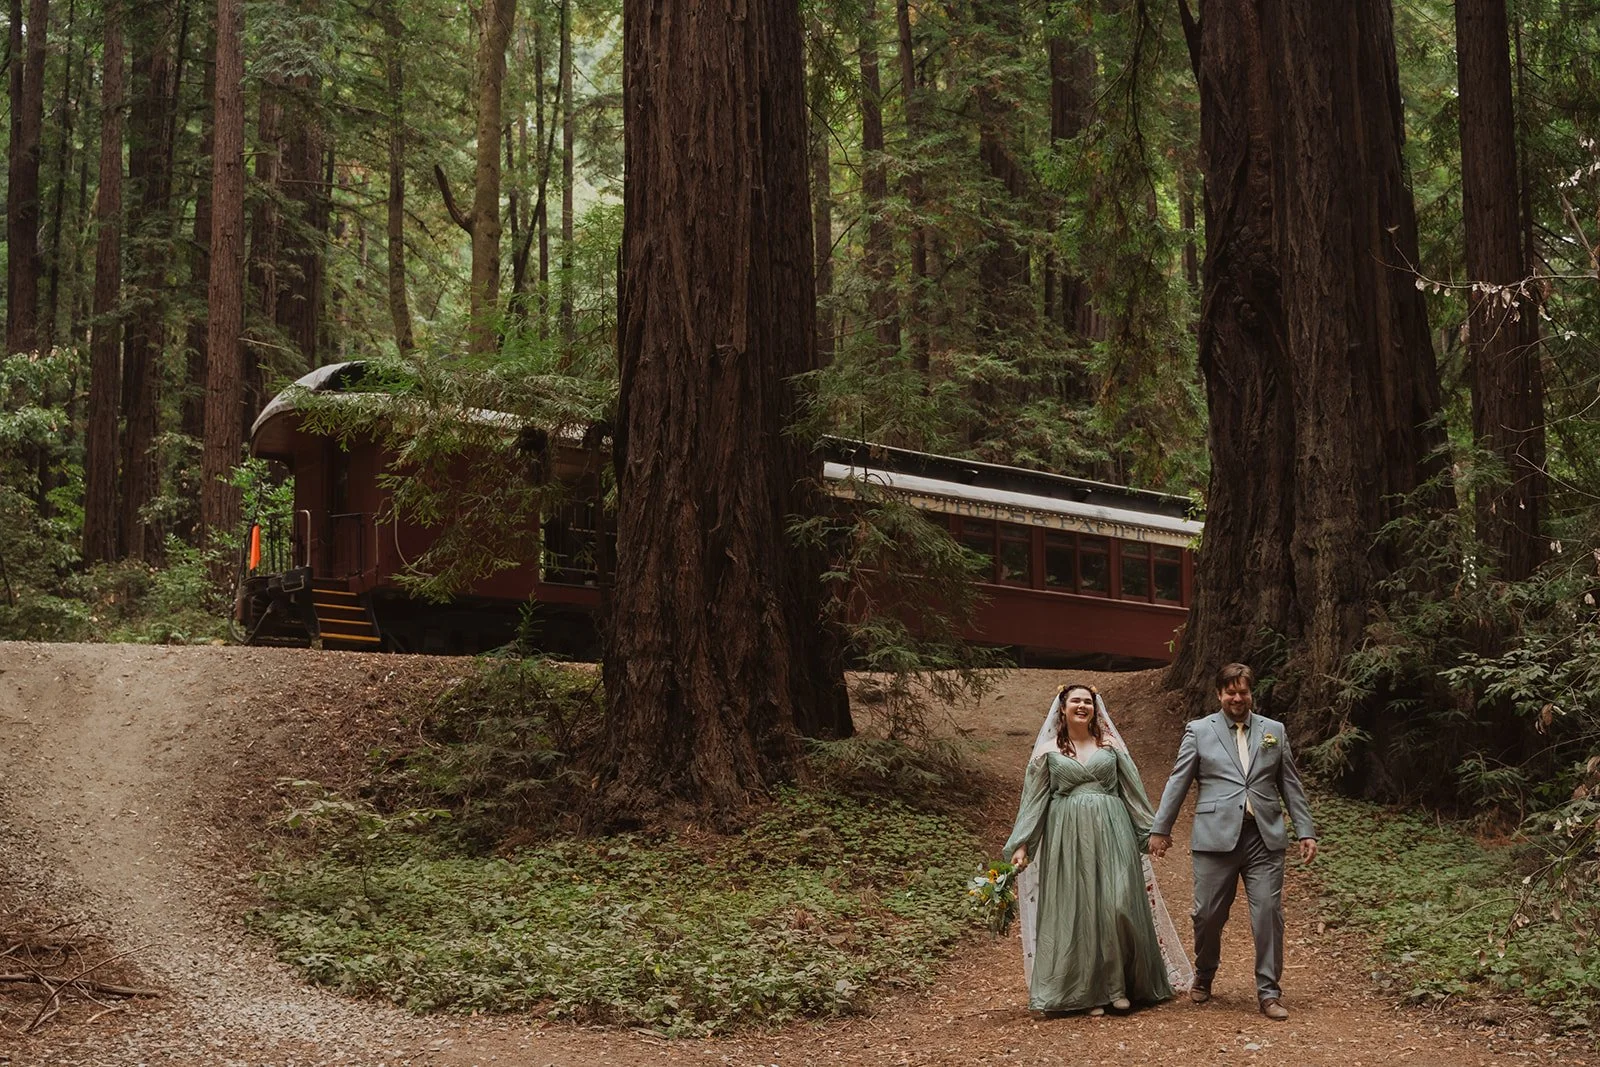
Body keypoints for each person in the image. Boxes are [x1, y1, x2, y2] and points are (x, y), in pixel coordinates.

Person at [1005, 683, 1191, 1015]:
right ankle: (1089, 992)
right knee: (1078, 908)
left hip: (1112, 831)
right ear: (1062, 708)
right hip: (1068, 838)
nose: (1082, 706)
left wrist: (1152, 832)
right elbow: (1033, 802)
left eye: (1087, 701)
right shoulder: (1047, 751)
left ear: (1095, 708)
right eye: (1075, 701)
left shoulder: (1111, 746)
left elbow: (1132, 792)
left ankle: (1120, 985)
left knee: (1117, 902)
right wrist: (1022, 844)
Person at [1148, 662, 1318, 1021]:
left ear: (1250, 693)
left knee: (1268, 915)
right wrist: (1161, 829)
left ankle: (1269, 992)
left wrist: (1305, 830)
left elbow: (1291, 784)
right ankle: (1205, 973)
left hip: (1264, 837)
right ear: (1219, 694)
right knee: (1207, 914)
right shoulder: (1199, 731)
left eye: (1243, 691)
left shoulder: (1274, 731)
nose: (1237, 698)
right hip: (1215, 838)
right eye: (1230, 692)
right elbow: (1178, 782)